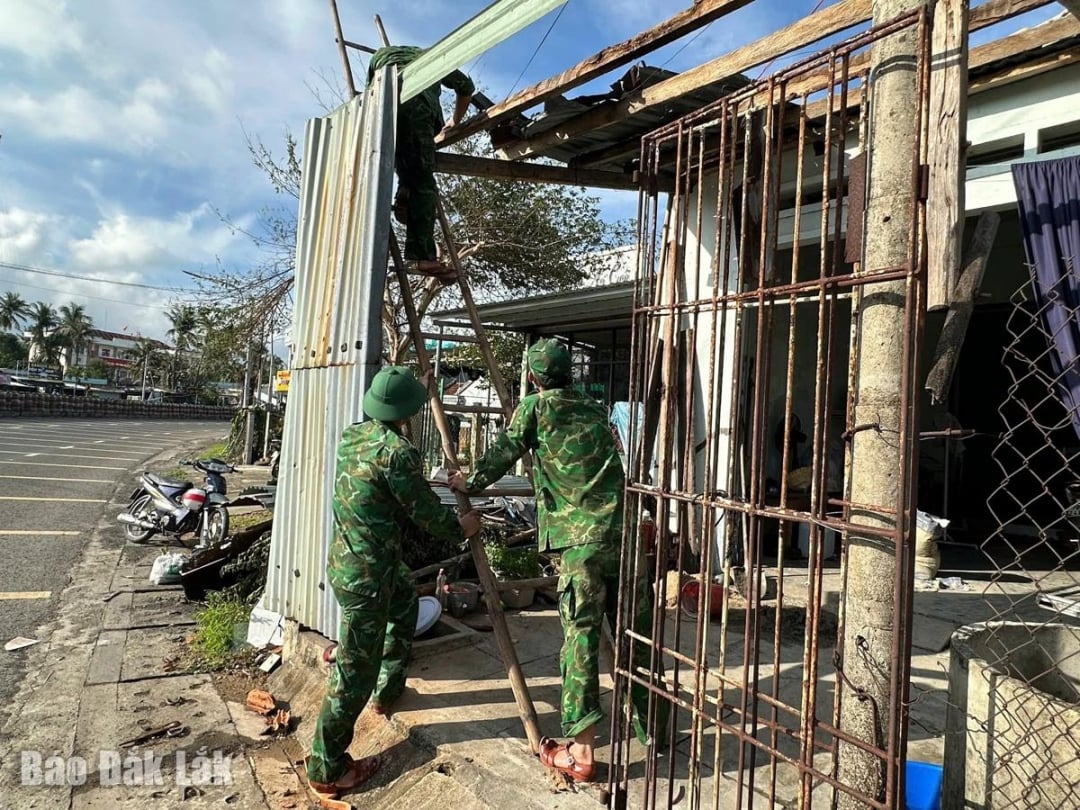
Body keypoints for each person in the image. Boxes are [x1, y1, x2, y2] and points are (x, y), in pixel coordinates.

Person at [449, 339, 663, 783]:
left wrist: (465, 480)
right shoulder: (593, 408)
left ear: (532, 376)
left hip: (579, 542)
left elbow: (503, 452)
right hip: (624, 537)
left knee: (582, 638)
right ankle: (654, 725)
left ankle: (581, 754)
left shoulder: (534, 408)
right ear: (571, 374)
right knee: (637, 632)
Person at [307, 366, 481, 799]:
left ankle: (388, 691)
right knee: (352, 672)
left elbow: (391, 471)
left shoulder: (354, 436)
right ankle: (326, 767)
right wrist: (464, 526)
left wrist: (418, 389)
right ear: (406, 414)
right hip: (367, 577)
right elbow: (423, 511)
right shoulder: (397, 452)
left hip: (358, 563)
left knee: (405, 604)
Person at [367, 46, 474, 280]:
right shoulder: (434, 57)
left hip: (381, 116)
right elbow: (467, 88)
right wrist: (455, 121)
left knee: (405, 162)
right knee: (424, 184)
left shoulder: (380, 57)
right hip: (417, 113)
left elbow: (369, 94)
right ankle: (422, 256)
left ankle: (404, 188)